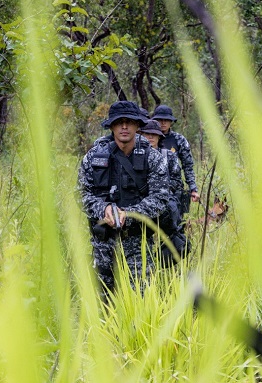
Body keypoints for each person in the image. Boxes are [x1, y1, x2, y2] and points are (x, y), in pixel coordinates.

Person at [78, 101, 170, 295]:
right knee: (102, 303)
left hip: (138, 245)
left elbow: (161, 198)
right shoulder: (93, 157)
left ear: (138, 125)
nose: (124, 126)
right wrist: (104, 209)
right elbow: (81, 194)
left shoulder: (153, 158)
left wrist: (128, 214)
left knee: (141, 302)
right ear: (112, 126)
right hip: (103, 246)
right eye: (119, 122)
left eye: (129, 122)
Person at [139, 120, 189, 265]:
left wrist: (161, 189)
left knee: (173, 241)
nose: (150, 137)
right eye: (147, 134)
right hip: (142, 205)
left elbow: (177, 181)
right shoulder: (136, 156)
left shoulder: (169, 156)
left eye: (154, 134)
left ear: (160, 137)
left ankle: (166, 268)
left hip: (166, 205)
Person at [152, 105, 200, 214]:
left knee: (175, 218)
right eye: (160, 120)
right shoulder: (147, 138)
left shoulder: (179, 139)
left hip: (174, 188)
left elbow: (187, 165)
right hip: (152, 188)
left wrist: (193, 188)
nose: (163, 123)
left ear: (171, 122)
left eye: (166, 120)